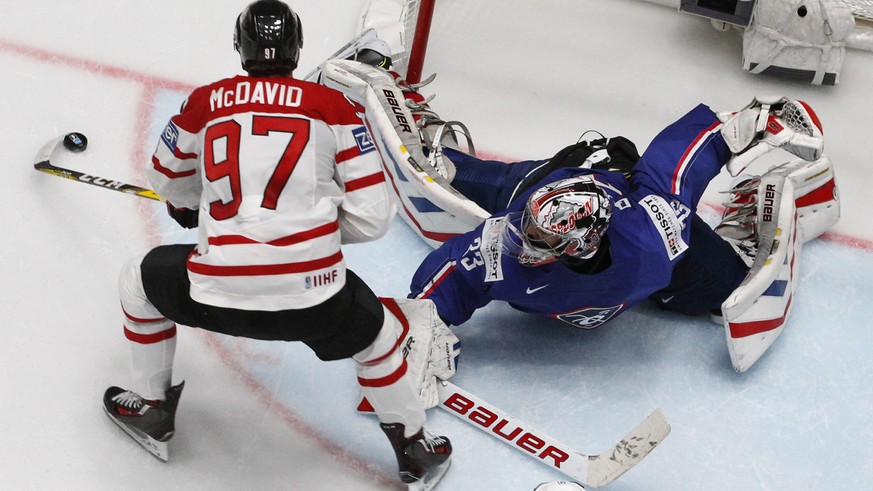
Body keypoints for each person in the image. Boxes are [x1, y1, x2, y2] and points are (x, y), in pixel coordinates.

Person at [102, 2, 451, 488]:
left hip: (215, 296)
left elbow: (164, 179)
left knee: (136, 282)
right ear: (297, 48)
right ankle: (415, 448)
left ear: (239, 47)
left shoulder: (205, 103)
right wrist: (314, 224)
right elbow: (373, 220)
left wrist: (195, 204)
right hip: (315, 301)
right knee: (377, 339)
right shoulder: (334, 108)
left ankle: (153, 407)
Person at [391, 85, 832, 335]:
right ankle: (430, 144)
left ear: (579, 246)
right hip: (573, 175)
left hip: (630, 215)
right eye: (528, 227)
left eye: (542, 237)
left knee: (726, 289)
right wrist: (417, 325)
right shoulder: (516, 237)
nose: (519, 238)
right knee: (508, 187)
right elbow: (455, 268)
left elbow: (671, 169)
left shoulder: (653, 235)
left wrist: (742, 129)